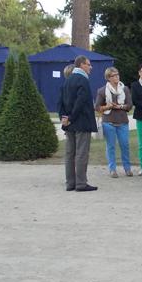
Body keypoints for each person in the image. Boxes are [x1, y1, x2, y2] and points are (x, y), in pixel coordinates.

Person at [59, 55, 98, 192]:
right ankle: (81, 183)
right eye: (88, 64)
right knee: (81, 153)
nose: (90, 67)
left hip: (69, 123)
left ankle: (70, 183)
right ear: (81, 64)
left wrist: (65, 117)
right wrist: (72, 117)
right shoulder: (83, 80)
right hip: (81, 122)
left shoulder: (67, 80)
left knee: (70, 153)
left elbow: (61, 102)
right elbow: (80, 102)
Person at [95, 67, 133, 178]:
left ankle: (127, 168)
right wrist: (108, 106)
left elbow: (129, 106)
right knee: (111, 146)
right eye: (114, 75)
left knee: (125, 145)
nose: (117, 76)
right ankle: (112, 169)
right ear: (108, 78)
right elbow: (97, 107)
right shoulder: (102, 91)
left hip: (122, 121)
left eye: (117, 74)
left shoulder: (125, 89)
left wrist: (120, 106)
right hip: (108, 122)